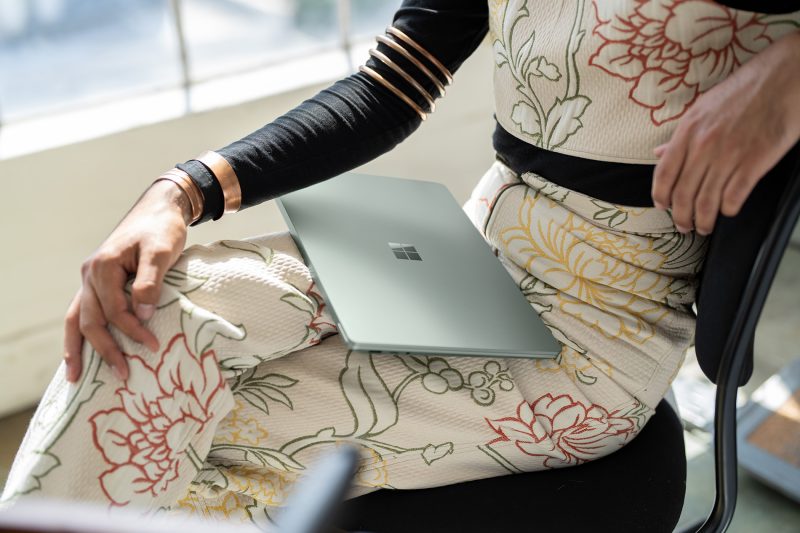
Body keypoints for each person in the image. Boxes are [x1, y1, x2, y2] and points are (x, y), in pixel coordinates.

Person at [3, 0, 799, 529]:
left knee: (168, 432)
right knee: (150, 310)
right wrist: (181, 191)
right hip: (464, 259)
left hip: (591, 337)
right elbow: (390, 86)